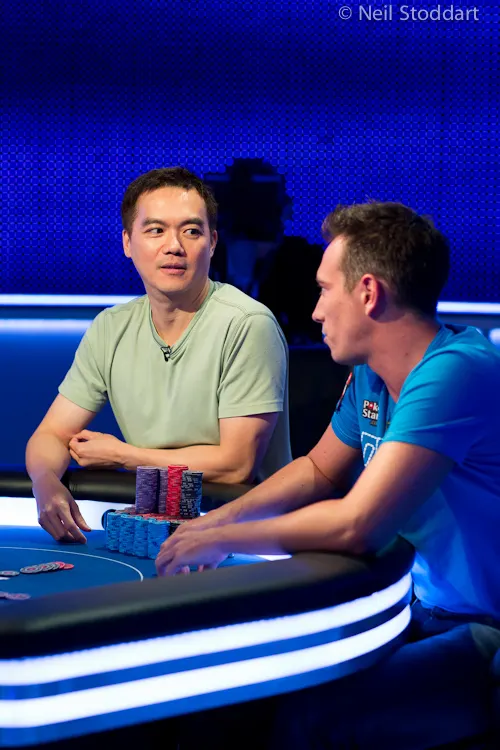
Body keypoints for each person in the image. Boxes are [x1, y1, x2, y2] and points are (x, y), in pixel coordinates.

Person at [156, 201, 500, 747]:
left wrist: (223, 539)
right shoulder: (370, 374)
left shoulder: (456, 371)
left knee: (312, 719)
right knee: (246, 693)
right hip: (415, 607)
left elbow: (357, 525)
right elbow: (317, 470)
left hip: (485, 628)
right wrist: (214, 521)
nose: (315, 311)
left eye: (323, 290)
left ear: (368, 293)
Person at [26, 167, 291, 544]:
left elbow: (236, 465)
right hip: (155, 528)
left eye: (192, 231)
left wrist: (125, 455)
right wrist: (45, 483)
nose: (174, 246)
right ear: (127, 242)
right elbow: (51, 434)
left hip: (246, 536)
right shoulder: (111, 327)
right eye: (155, 230)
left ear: (212, 243)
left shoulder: (248, 324)